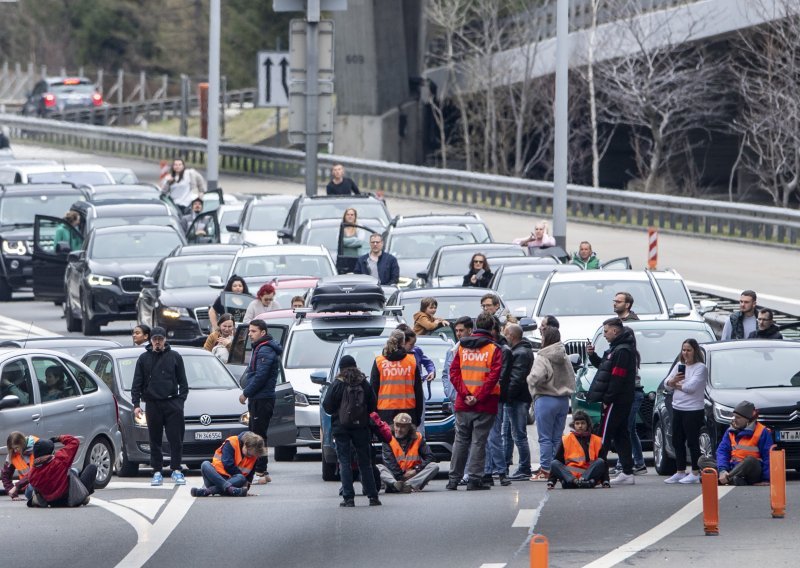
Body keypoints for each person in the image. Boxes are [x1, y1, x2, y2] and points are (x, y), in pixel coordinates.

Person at [446, 312, 503, 491]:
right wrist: (478, 396)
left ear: (476, 325)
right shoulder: (494, 349)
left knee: (461, 440)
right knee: (479, 441)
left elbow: (453, 374)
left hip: (463, 403)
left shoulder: (462, 347)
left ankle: (453, 479)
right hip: (485, 403)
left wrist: (465, 394)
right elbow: (493, 377)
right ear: (492, 328)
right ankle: (474, 479)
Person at [131, 326, 189, 487]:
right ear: (150, 340)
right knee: (154, 439)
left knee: (175, 439)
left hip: (172, 403)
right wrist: (136, 404)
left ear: (165, 340)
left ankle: (176, 469)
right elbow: (137, 383)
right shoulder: (143, 359)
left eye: (160, 339)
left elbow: (183, 383)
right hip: (152, 403)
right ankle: (157, 471)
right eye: (155, 339)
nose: (157, 342)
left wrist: (180, 402)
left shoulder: (175, 356)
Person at [321, 355, 381, 507]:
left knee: (344, 461)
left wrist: (338, 412)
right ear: (355, 366)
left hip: (341, 427)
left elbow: (327, 406)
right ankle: (372, 496)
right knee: (365, 462)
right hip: (361, 427)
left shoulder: (337, 384)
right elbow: (373, 405)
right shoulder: (363, 382)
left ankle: (348, 498)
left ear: (341, 368)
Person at [586, 318, 638, 485]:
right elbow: (605, 367)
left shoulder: (622, 351)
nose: (604, 334)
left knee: (604, 435)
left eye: (606, 331)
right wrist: (592, 356)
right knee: (620, 434)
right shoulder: (616, 349)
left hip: (617, 400)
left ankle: (597, 472)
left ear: (615, 331)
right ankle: (627, 472)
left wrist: (608, 399)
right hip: (620, 399)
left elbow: (617, 378)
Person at [527, 327, 576, 481]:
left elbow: (537, 376)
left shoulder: (543, 356)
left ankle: (545, 469)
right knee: (556, 437)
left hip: (545, 398)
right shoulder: (564, 356)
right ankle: (557, 467)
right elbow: (571, 376)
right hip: (562, 400)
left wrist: (529, 380)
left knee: (544, 438)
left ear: (546, 339)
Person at [239, 319, 283, 485]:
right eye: (249, 331)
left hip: (262, 398)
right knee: (258, 433)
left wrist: (246, 393)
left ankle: (259, 472)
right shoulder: (261, 347)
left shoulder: (264, 349)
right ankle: (262, 471)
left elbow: (260, 376)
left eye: (253, 331)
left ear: (263, 333)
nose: (250, 334)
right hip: (261, 397)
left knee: (257, 435)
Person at [662, 339, 708, 484]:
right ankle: (680, 470)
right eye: (683, 350)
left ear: (695, 351)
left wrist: (675, 384)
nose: (685, 353)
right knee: (677, 440)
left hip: (693, 409)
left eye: (689, 350)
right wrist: (674, 382)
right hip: (678, 407)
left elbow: (691, 388)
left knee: (692, 441)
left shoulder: (701, 368)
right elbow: (666, 384)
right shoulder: (679, 366)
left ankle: (695, 471)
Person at [699, 401, 773, 486]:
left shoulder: (762, 431)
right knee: (703, 460)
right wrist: (722, 470)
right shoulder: (730, 430)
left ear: (748, 420)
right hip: (732, 468)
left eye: (738, 418)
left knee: (750, 460)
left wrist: (766, 479)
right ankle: (732, 479)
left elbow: (768, 457)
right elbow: (722, 451)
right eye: (734, 417)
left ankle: (722, 479)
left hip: (752, 471)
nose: (734, 420)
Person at [611, 292, 644, 476]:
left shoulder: (632, 325)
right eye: (614, 301)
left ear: (628, 304)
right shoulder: (618, 323)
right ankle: (638, 462)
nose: (614, 303)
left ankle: (627, 463)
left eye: (618, 301)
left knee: (625, 427)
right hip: (629, 386)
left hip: (631, 386)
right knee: (628, 427)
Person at [370, 330, 423, 426]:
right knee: (407, 440)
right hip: (408, 411)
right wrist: (418, 415)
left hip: (385, 413)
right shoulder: (411, 361)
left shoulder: (379, 362)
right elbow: (418, 391)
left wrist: (374, 416)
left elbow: (373, 391)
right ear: (403, 343)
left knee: (389, 441)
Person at [502, 323, 534, 481]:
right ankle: (505, 465)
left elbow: (516, 378)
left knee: (518, 435)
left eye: (505, 334)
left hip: (517, 399)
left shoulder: (520, 353)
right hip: (516, 398)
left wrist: (506, 396)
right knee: (508, 434)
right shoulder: (520, 350)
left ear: (511, 336)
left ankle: (524, 468)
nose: (504, 337)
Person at [483, 318, 512, 487]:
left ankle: (501, 471)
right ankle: (488, 471)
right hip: (485, 394)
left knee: (493, 436)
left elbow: (501, 377)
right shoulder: (489, 347)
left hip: (494, 396)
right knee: (486, 437)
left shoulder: (503, 350)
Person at [377, 413, 439, 493]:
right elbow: (390, 462)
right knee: (378, 467)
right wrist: (401, 476)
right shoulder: (388, 438)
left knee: (434, 466)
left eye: (403, 427)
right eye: (397, 425)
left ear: (409, 427)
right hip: (394, 475)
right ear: (394, 425)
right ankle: (396, 484)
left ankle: (406, 485)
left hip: (413, 475)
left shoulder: (418, 437)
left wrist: (416, 470)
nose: (399, 429)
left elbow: (430, 457)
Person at [26, 435, 95, 508]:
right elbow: (74, 442)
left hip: (51, 502)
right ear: (52, 452)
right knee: (91, 468)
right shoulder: (60, 459)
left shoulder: (32, 473)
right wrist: (58, 438)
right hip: (69, 499)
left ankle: (39, 499)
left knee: (73, 472)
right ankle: (83, 497)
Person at [191, 432, 266, 497]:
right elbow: (228, 465)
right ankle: (230, 489)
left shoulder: (254, 455)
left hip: (233, 481)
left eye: (253, 455)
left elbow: (249, 477)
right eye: (249, 453)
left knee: (242, 478)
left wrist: (245, 490)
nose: (250, 457)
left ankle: (209, 491)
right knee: (205, 464)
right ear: (245, 445)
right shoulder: (232, 442)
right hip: (215, 478)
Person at [548, 411, 610, 489]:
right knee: (554, 463)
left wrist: (605, 481)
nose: (580, 426)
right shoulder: (566, 439)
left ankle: (577, 482)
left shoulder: (596, 440)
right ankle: (582, 482)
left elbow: (604, 463)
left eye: (583, 423)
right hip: (571, 473)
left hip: (588, 472)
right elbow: (558, 461)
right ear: (574, 425)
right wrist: (551, 481)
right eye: (577, 423)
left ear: (587, 425)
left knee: (601, 461)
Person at [442, 316, 473, 404]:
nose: (458, 334)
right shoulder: (451, 351)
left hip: (469, 398)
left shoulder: (475, 350)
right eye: (456, 331)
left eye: (461, 330)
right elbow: (445, 373)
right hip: (454, 399)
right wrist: (448, 391)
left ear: (470, 330)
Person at [2, 432, 37, 500]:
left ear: (22, 443)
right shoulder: (12, 455)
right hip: (28, 488)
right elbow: (5, 476)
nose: (15, 451)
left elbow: (35, 472)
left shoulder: (37, 446)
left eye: (16, 448)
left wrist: (16, 486)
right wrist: (13, 494)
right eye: (12, 449)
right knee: (30, 491)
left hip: (41, 482)